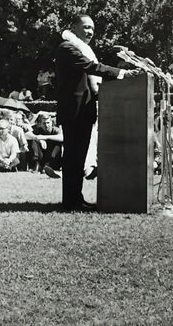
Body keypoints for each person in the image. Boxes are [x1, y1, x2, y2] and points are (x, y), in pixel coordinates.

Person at [55, 14, 139, 211]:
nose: (90, 32)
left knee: (79, 157)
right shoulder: (67, 48)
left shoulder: (83, 49)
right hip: (73, 111)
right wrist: (122, 73)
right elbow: (91, 67)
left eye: (92, 28)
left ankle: (77, 198)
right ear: (73, 28)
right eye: (85, 27)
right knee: (72, 158)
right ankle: (70, 201)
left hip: (84, 111)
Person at [26, 112, 63, 178]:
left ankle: (48, 165)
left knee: (58, 142)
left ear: (52, 123)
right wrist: (37, 138)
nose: (46, 125)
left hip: (54, 158)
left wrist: (45, 137)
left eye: (48, 123)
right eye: (44, 123)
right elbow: (26, 135)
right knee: (34, 139)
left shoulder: (56, 130)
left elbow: (62, 138)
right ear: (40, 124)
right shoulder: (39, 130)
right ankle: (36, 164)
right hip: (42, 156)